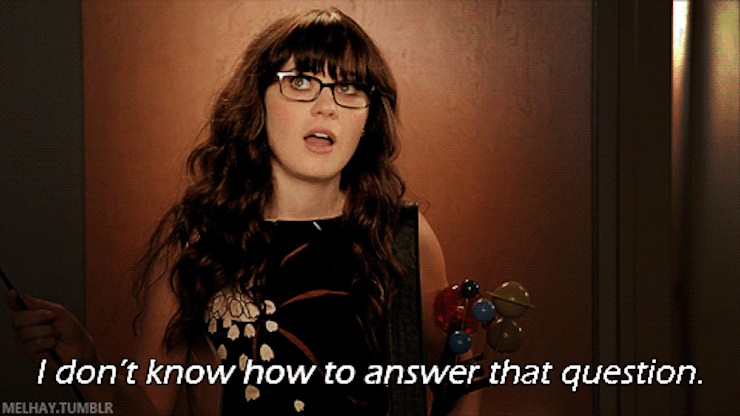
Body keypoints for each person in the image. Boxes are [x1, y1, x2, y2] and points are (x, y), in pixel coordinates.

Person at [6, 8, 477, 415]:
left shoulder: (401, 236)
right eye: (301, 82)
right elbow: (147, 408)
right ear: (258, 100)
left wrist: (472, 350)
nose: (326, 107)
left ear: (368, 117)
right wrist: (84, 361)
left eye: (349, 88)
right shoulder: (196, 240)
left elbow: (457, 380)